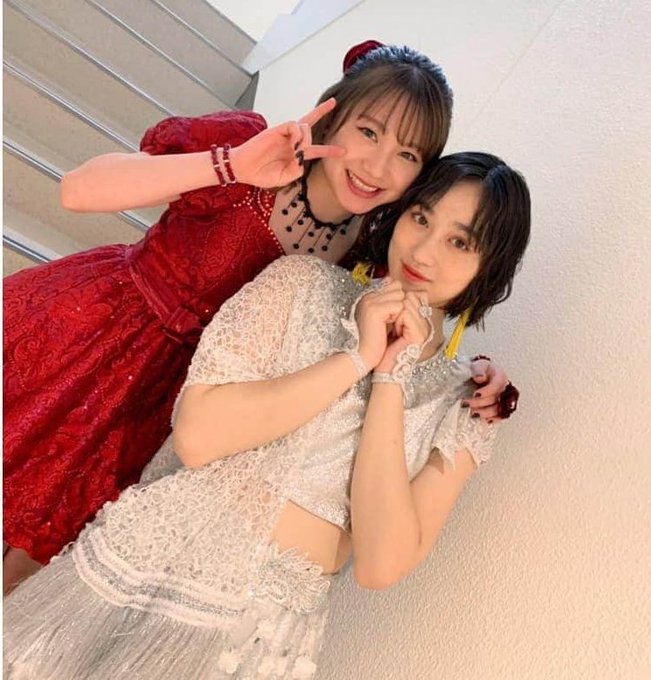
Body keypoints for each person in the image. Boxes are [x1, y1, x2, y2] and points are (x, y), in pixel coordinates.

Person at [3, 41, 514, 592]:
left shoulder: (369, 247)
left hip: (172, 408)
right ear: (334, 113)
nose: (377, 167)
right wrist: (232, 165)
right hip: (94, 336)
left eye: (407, 155)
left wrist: (478, 377)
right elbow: (78, 189)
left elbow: (421, 304)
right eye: (368, 132)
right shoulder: (250, 148)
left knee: (38, 561)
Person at [4, 150, 531, 679]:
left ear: (491, 265)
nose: (423, 249)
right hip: (138, 567)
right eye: (420, 217)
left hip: (252, 641)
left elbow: (380, 564)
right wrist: (358, 358)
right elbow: (197, 436)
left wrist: (391, 377)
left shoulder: (465, 405)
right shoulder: (301, 283)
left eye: (459, 242)